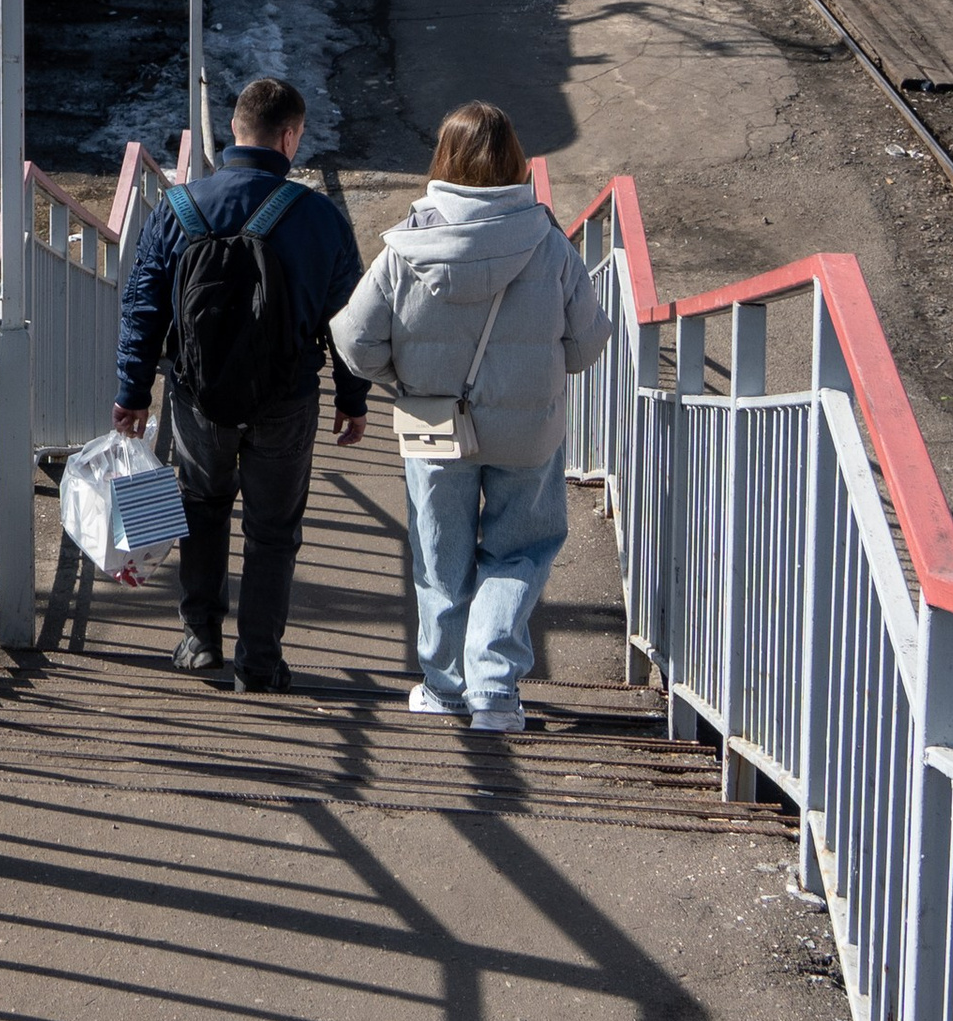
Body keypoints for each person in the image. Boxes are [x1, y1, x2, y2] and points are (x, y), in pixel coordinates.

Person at [330, 99, 607, 736]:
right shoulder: (549, 244)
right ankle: (495, 692)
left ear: (444, 160)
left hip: (434, 427)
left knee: (438, 551)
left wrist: (403, 380)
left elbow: (352, 340)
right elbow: (588, 343)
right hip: (527, 429)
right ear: (514, 159)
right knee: (521, 549)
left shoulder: (407, 247)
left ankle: (443, 685)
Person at [112, 74, 369, 693]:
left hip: (199, 397)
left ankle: (200, 640)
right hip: (287, 396)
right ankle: (259, 661)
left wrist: (132, 391)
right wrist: (353, 399)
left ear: (233, 131)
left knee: (202, 507)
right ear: (289, 137)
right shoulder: (319, 216)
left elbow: (143, 307)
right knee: (273, 530)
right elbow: (352, 321)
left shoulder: (177, 209)